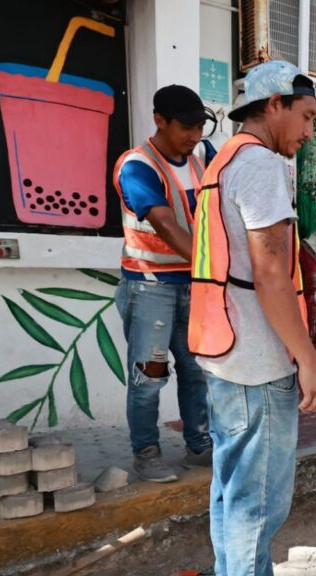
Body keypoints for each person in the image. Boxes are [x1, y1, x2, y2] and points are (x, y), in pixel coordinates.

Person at [188, 61, 316, 576]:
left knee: (230, 485)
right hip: (255, 356)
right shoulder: (264, 167)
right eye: (304, 118)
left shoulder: (220, 161)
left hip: (220, 347)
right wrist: (309, 361)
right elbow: (273, 275)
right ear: (273, 105)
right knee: (259, 497)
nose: (308, 133)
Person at [112, 85, 216, 482]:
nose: (194, 135)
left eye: (200, 127)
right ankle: (147, 452)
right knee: (149, 376)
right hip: (149, 285)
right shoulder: (137, 166)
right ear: (159, 120)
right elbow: (166, 225)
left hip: (191, 284)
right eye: (187, 127)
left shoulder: (201, 157)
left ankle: (199, 446)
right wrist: (217, 267)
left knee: (196, 371)